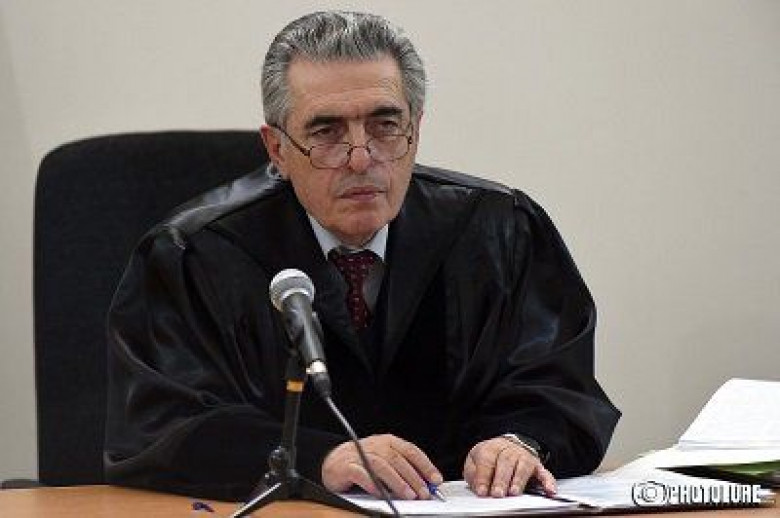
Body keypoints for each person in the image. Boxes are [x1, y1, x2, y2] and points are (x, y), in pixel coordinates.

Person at [104, 10, 620, 502]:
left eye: (384, 125)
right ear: (278, 149)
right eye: (326, 132)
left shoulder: (499, 230)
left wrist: (520, 442)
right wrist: (320, 458)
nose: (360, 157)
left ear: (415, 130)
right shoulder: (194, 255)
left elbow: (561, 388)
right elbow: (161, 427)